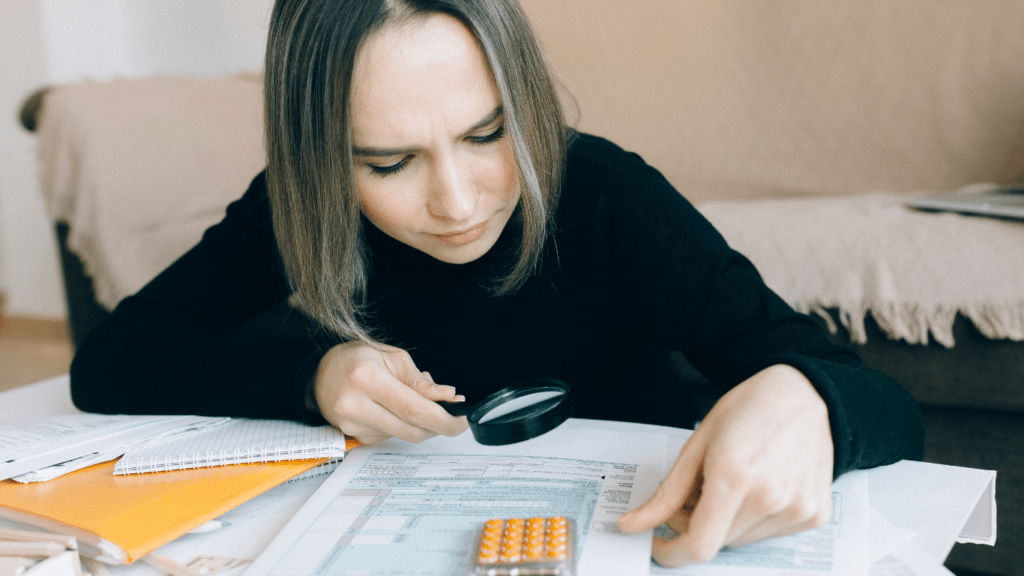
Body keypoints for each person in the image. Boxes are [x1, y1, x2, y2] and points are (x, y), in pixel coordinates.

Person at [69, 0, 924, 567]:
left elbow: (883, 402)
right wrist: (313, 376)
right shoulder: (295, 208)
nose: (455, 202)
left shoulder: (604, 198)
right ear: (320, 161)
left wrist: (808, 400)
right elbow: (112, 359)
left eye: (488, 135)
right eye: (389, 161)